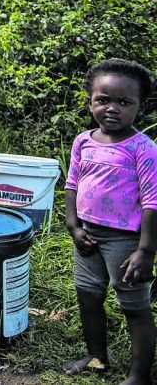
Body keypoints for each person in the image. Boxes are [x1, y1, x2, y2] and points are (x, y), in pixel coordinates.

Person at [62, 59, 157, 383]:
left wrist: (145, 250)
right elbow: (72, 185)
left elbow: (152, 201)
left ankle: (139, 375)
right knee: (88, 297)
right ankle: (96, 357)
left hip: (126, 242)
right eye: (103, 100)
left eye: (124, 102)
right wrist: (74, 227)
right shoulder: (82, 142)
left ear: (139, 108)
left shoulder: (143, 149)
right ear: (90, 101)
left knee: (134, 307)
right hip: (87, 237)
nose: (112, 108)